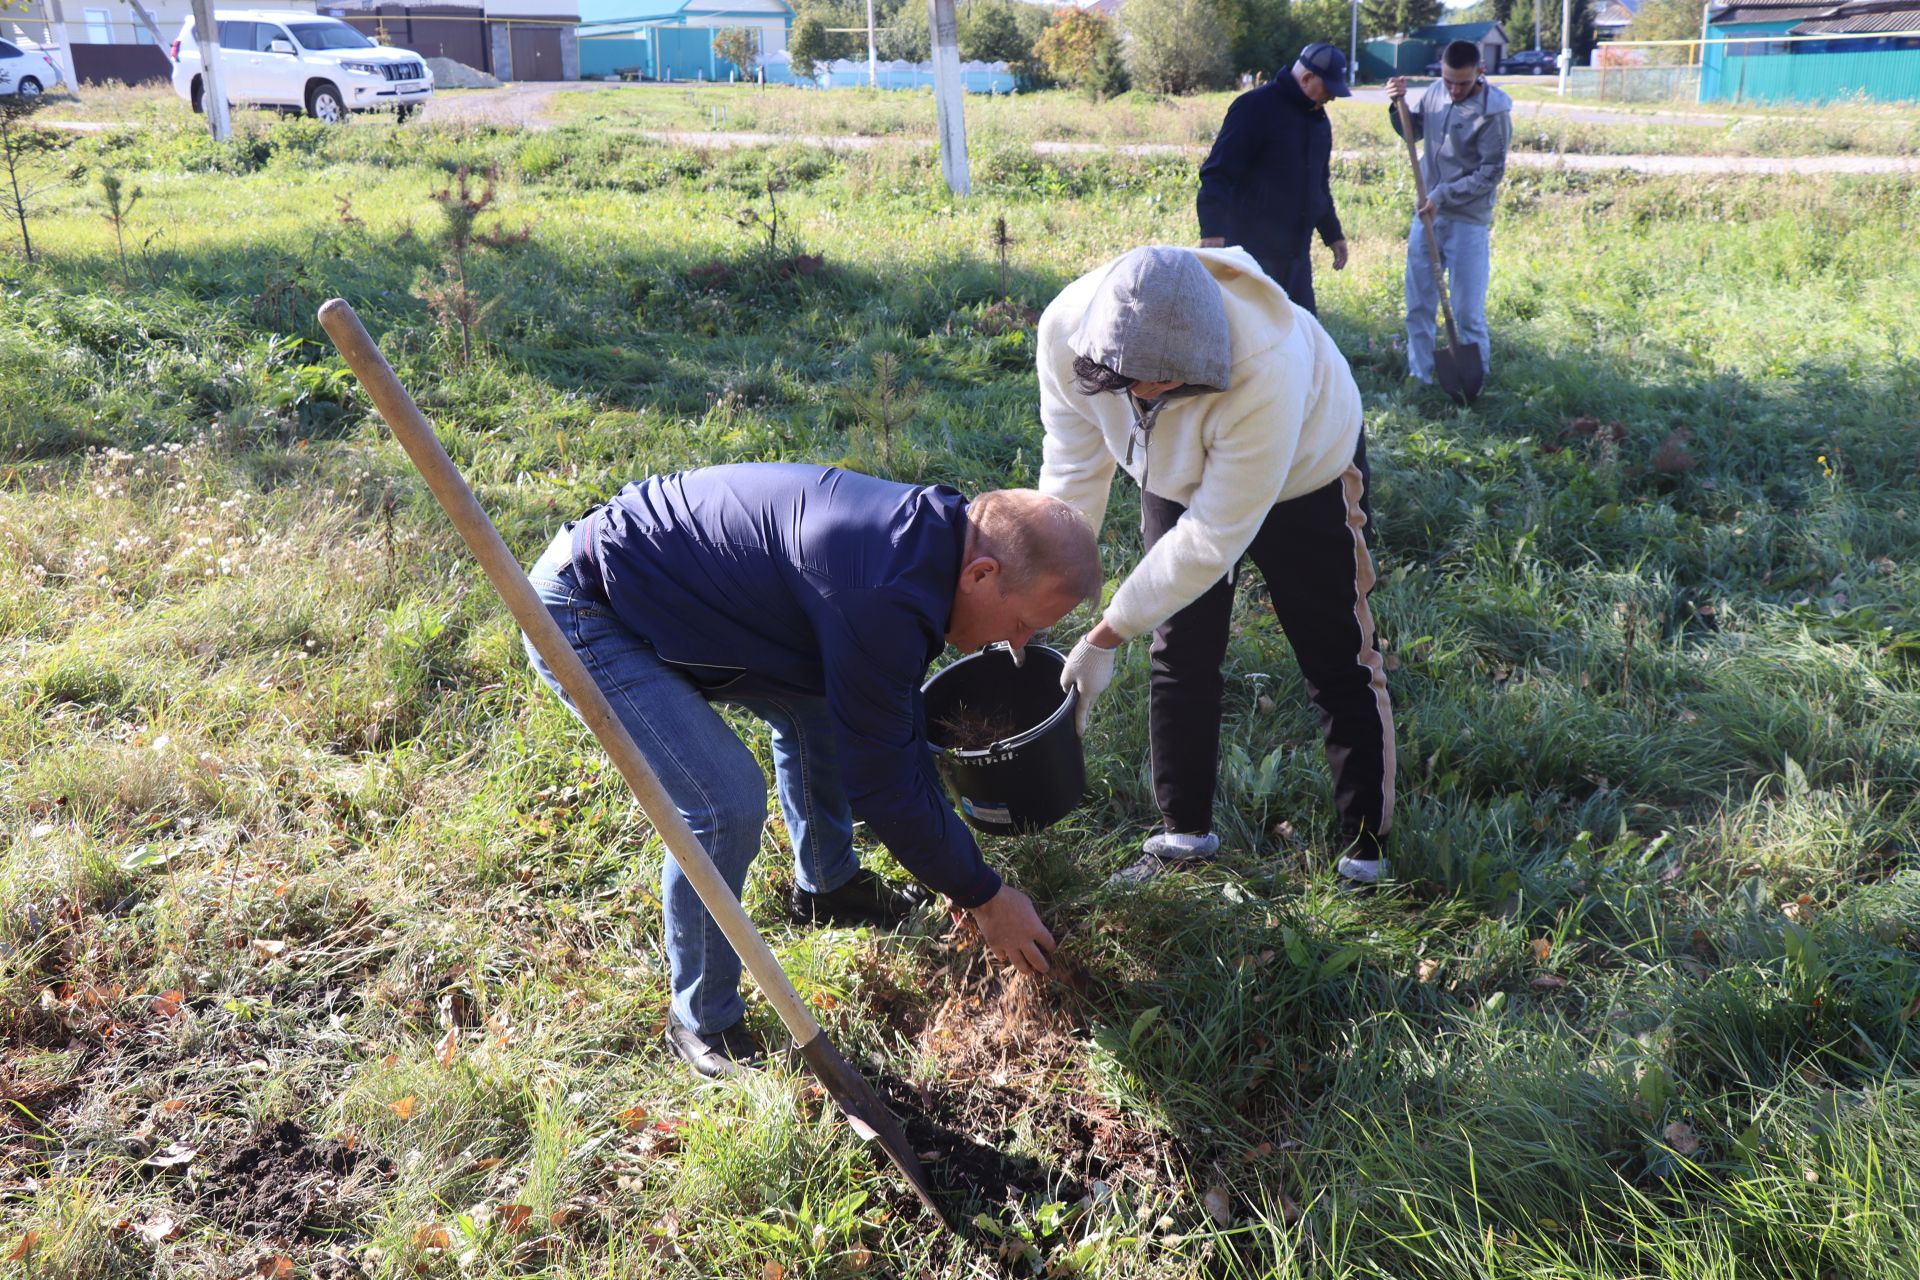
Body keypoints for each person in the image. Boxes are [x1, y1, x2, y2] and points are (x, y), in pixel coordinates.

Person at [524, 464, 1100, 1078]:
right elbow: (882, 778)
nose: (1020, 644)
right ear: (982, 575)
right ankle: (701, 1021)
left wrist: (954, 869)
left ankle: (827, 887)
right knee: (724, 802)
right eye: (1023, 624)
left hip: (684, 590)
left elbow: (889, 720)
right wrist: (984, 895)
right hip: (588, 606)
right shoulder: (879, 590)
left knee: (827, 707)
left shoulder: (937, 544)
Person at [1036, 246, 1394, 889]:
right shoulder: (1065, 329)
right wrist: (1044, 592)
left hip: (1303, 471)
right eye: (1137, 385)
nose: (1151, 396)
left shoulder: (1266, 366)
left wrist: (1106, 632)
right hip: (1172, 472)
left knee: (1336, 653)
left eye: (1171, 385)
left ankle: (1367, 851)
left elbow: (1211, 538)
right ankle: (1183, 837)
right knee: (1180, 649)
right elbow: (1071, 470)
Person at [1387, 41, 1512, 385]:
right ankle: (1422, 376)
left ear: (1480, 72)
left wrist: (1443, 193)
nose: (1454, 90)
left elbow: (1491, 172)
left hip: (1467, 221)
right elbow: (1412, 134)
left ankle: (1475, 379)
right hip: (1427, 215)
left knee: (1468, 312)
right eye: (1448, 81)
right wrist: (1396, 103)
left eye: (1463, 83)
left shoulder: (1493, 111)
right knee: (1418, 303)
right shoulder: (1435, 93)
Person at [1196, 42, 1352, 315]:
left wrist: (1333, 234)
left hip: (1296, 259)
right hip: (1250, 258)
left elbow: (1319, 185)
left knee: (1304, 340)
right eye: (1328, 89)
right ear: (1306, 78)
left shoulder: (1319, 121)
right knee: (1251, 345)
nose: (1332, 98)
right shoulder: (1255, 107)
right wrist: (1212, 232)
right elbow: (1217, 173)